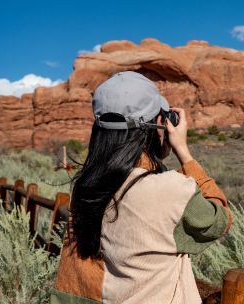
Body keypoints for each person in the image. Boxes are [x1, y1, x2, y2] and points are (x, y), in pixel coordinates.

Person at [51, 71, 231, 304]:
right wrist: (184, 153)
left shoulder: (86, 187)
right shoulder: (171, 189)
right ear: (159, 124)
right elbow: (219, 220)